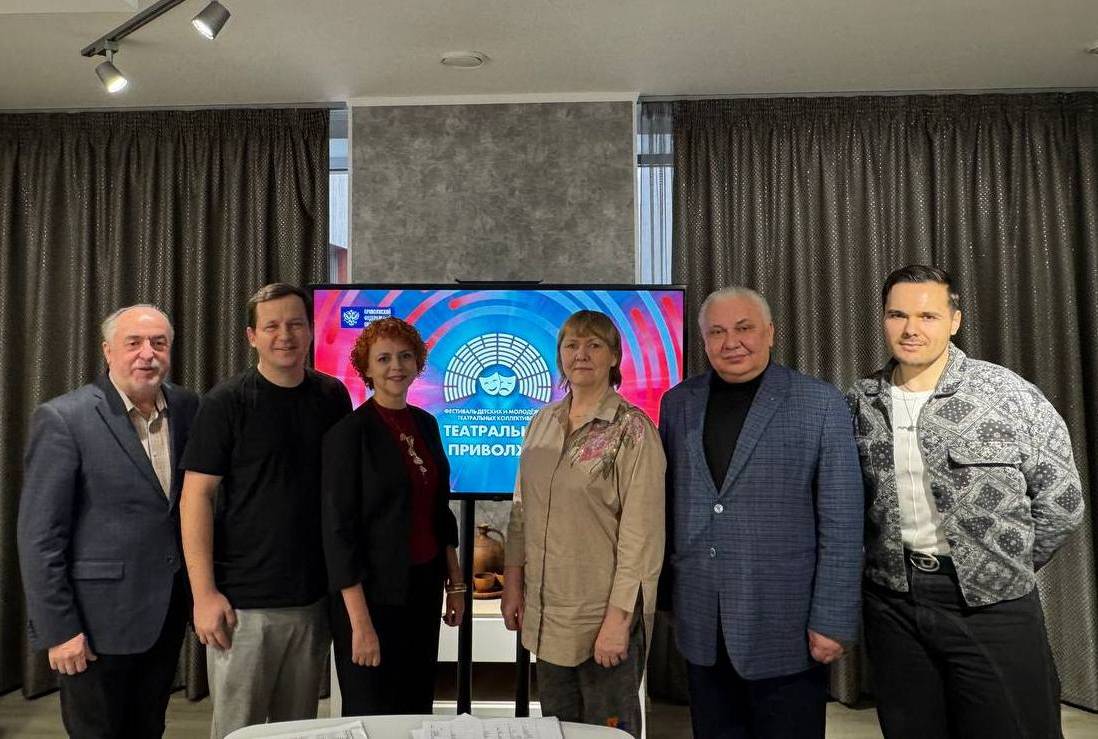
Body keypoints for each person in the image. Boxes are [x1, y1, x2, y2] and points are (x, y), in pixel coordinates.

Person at [848, 264, 1084, 738]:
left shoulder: (1009, 394)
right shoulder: (860, 401)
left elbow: (1062, 503)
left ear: (954, 320)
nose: (911, 329)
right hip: (894, 606)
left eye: (928, 316)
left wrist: (1001, 562)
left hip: (994, 607)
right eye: (898, 315)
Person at [658, 286, 863, 739]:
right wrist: (668, 596)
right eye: (717, 332)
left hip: (786, 626)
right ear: (703, 340)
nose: (731, 342)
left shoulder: (819, 403)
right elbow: (669, 508)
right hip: (701, 620)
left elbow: (843, 523)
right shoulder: (677, 404)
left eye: (744, 328)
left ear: (770, 332)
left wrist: (832, 619)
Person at [17, 304, 199, 738]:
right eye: (133, 343)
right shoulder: (65, 418)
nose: (147, 353)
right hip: (94, 626)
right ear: (107, 351)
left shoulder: (189, 407)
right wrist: (59, 631)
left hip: (164, 615)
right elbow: (39, 536)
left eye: (159, 343)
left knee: (149, 728)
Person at [179, 283, 351, 738]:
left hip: (312, 601)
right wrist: (203, 595)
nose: (285, 335)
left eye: (295, 324)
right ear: (252, 336)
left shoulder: (332, 396)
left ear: (310, 331)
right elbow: (195, 497)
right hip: (243, 605)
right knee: (239, 731)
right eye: (271, 326)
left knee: (297, 730)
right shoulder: (225, 402)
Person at [500, 310, 665, 738]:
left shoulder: (633, 430)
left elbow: (642, 538)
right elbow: (520, 511)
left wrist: (618, 622)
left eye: (594, 345)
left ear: (614, 356)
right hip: (546, 617)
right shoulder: (541, 423)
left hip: (602, 618)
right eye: (572, 345)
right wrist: (513, 583)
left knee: (608, 732)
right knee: (558, 729)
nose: (582, 354)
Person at [321, 317, 465, 715]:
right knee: (372, 711)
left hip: (422, 588)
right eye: (383, 358)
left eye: (405, 356)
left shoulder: (426, 424)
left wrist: (455, 585)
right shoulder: (348, 434)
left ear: (417, 363)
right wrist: (360, 625)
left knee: (416, 706)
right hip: (369, 598)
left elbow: (439, 510)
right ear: (366, 368)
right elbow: (338, 533)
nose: (396, 366)